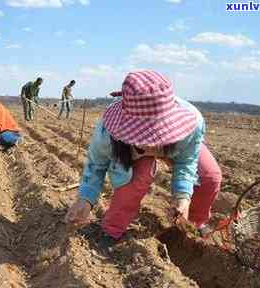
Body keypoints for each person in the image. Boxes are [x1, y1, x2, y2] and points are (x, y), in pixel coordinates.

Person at [65, 70, 222, 252]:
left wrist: (182, 197)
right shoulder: (107, 133)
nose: (152, 144)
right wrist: (86, 199)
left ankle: (192, 224)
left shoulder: (192, 124)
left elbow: (187, 163)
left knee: (209, 176)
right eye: (144, 138)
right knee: (137, 176)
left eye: (158, 135)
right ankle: (112, 228)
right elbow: (96, 165)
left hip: (178, 143)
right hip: (130, 151)